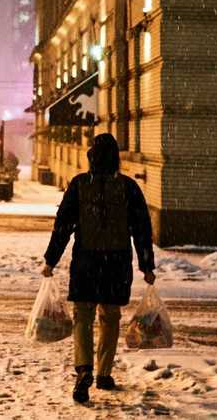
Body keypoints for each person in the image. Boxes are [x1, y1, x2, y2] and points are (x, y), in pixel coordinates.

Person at [42, 133, 155, 405]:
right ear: (116, 157)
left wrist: (51, 259)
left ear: (91, 157)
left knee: (83, 314)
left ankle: (84, 370)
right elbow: (142, 229)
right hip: (116, 262)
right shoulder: (128, 188)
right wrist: (147, 265)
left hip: (86, 261)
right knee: (110, 315)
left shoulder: (80, 185)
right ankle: (103, 373)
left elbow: (63, 226)